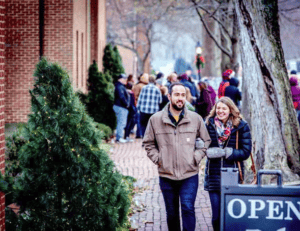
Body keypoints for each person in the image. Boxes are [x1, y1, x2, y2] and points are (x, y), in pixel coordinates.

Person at [143, 82, 211, 231]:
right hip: (166, 175)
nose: (180, 98)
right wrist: (159, 159)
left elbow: (206, 140)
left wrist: (196, 157)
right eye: (177, 95)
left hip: (189, 174)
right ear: (169, 96)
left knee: (187, 208)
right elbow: (148, 143)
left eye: (183, 95)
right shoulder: (155, 119)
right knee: (172, 213)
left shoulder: (195, 118)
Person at [204, 97, 252, 231]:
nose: (220, 111)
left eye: (224, 108)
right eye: (218, 108)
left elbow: (246, 151)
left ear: (230, 110)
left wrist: (226, 152)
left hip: (233, 175)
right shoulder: (208, 124)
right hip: (213, 175)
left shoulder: (241, 125)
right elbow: (202, 146)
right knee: (216, 217)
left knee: (231, 216)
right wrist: (207, 150)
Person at [113, 74, 130, 143]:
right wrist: (126, 104)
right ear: (120, 79)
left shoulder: (119, 86)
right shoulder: (119, 86)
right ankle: (119, 138)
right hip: (121, 106)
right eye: (124, 79)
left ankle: (119, 137)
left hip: (120, 106)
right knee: (121, 123)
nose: (126, 80)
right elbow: (121, 96)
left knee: (121, 122)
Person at [133, 73, 149, 138]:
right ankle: (140, 133)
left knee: (139, 120)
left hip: (139, 105)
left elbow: (135, 95)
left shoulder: (138, 86)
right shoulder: (144, 86)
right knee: (140, 120)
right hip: (142, 105)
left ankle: (139, 134)